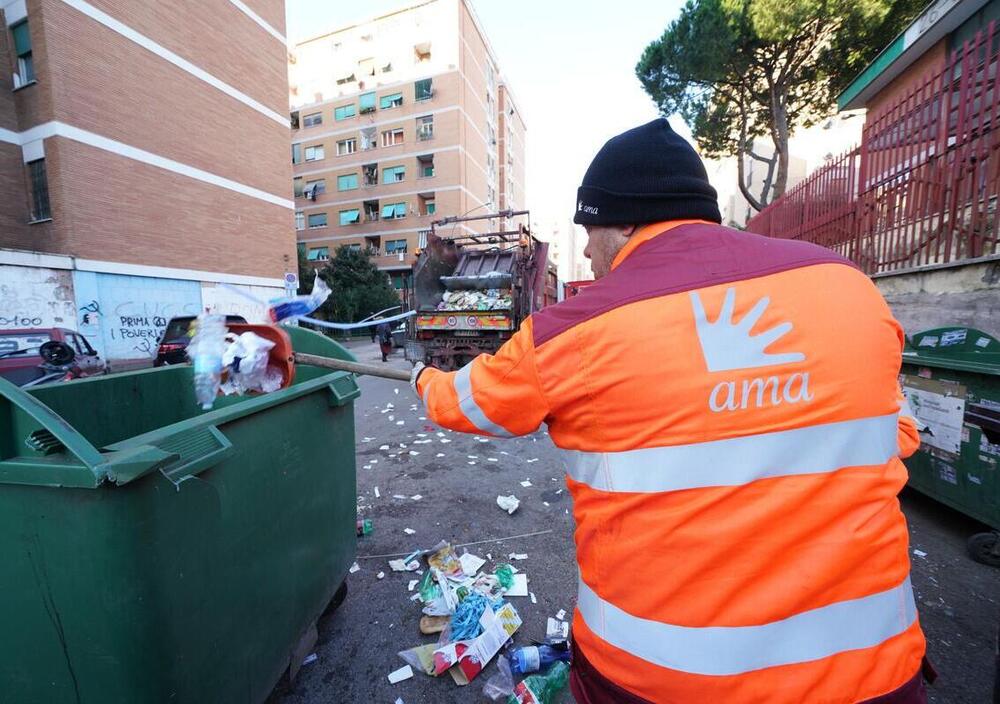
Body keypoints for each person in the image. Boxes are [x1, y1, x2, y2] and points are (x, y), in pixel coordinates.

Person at [411, 119, 929, 703]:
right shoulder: (847, 288)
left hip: (661, 680)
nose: (585, 248)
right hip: (871, 674)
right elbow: (898, 433)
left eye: (591, 227)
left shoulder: (580, 330)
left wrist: (422, 376)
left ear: (627, 219)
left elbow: (469, 404)